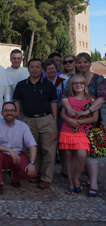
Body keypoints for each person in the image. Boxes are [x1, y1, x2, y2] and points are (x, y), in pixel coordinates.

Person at [60, 52, 106, 197]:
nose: (82, 65)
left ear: (90, 63)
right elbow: (64, 96)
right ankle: (77, 180)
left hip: (91, 122)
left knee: (90, 154)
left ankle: (93, 183)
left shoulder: (98, 79)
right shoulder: (73, 80)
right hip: (72, 123)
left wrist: (88, 111)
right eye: (79, 62)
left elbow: (103, 97)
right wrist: (69, 109)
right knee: (73, 154)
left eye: (85, 62)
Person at [13, 58, 58, 189]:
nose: (34, 69)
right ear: (28, 69)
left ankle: (46, 178)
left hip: (47, 120)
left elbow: (53, 103)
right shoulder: (21, 85)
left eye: (37, 67)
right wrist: (20, 121)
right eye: (32, 67)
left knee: (48, 150)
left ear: (41, 69)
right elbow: (17, 103)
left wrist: (54, 120)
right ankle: (35, 173)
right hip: (28, 121)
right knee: (33, 149)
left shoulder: (48, 85)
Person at [0, 102, 37, 195]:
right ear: (2, 113)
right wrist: (9, 150)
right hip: (2, 156)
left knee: (33, 172)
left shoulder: (23, 126)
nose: (9, 113)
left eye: (11, 110)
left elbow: (32, 145)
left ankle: (15, 177)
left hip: (17, 157)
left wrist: (32, 163)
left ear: (16, 113)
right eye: (6, 110)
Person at [60, 76, 98, 195]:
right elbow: (62, 114)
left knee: (82, 155)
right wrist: (69, 120)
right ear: (71, 86)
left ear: (85, 85)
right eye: (75, 83)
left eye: (81, 83)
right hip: (67, 130)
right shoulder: (69, 99)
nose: (78, 85)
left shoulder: (92, 100)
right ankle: (71, 184)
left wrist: (78, 122)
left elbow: (94, 118)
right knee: (69, 157)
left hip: (82, 131)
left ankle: (76, 178)